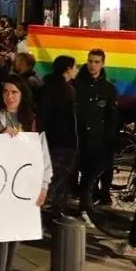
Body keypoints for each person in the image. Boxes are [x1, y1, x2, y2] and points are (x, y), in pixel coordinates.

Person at [0, 76, 49, 271]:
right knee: (1, 233)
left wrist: (43, 184)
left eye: (14, 92)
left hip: (23, 183)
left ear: (22, 95)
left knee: (16, 232)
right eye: (6, 91)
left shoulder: (31, 121)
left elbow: (43, 154)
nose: (9, 96)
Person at [37, 55, 79, 217]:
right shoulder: (64, 90)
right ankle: (50, 212)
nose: (76, 70)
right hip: (62, 141)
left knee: (54, 177)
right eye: (74, 67)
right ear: (67, 69)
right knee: (57, 178)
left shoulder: (47, 87)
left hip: (52, 139)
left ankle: (52, 211)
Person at [76, 49, 118, 206]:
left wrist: (110, 135)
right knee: (84, 171)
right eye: (90, 61)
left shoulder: (108, 88)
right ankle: (85, 199)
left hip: (100, 136)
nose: (92, 65)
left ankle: (103, 194)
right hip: (81, 136)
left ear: (102, 64)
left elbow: (112, 114)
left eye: (96, 62)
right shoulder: (77, 84)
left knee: (103, 168)